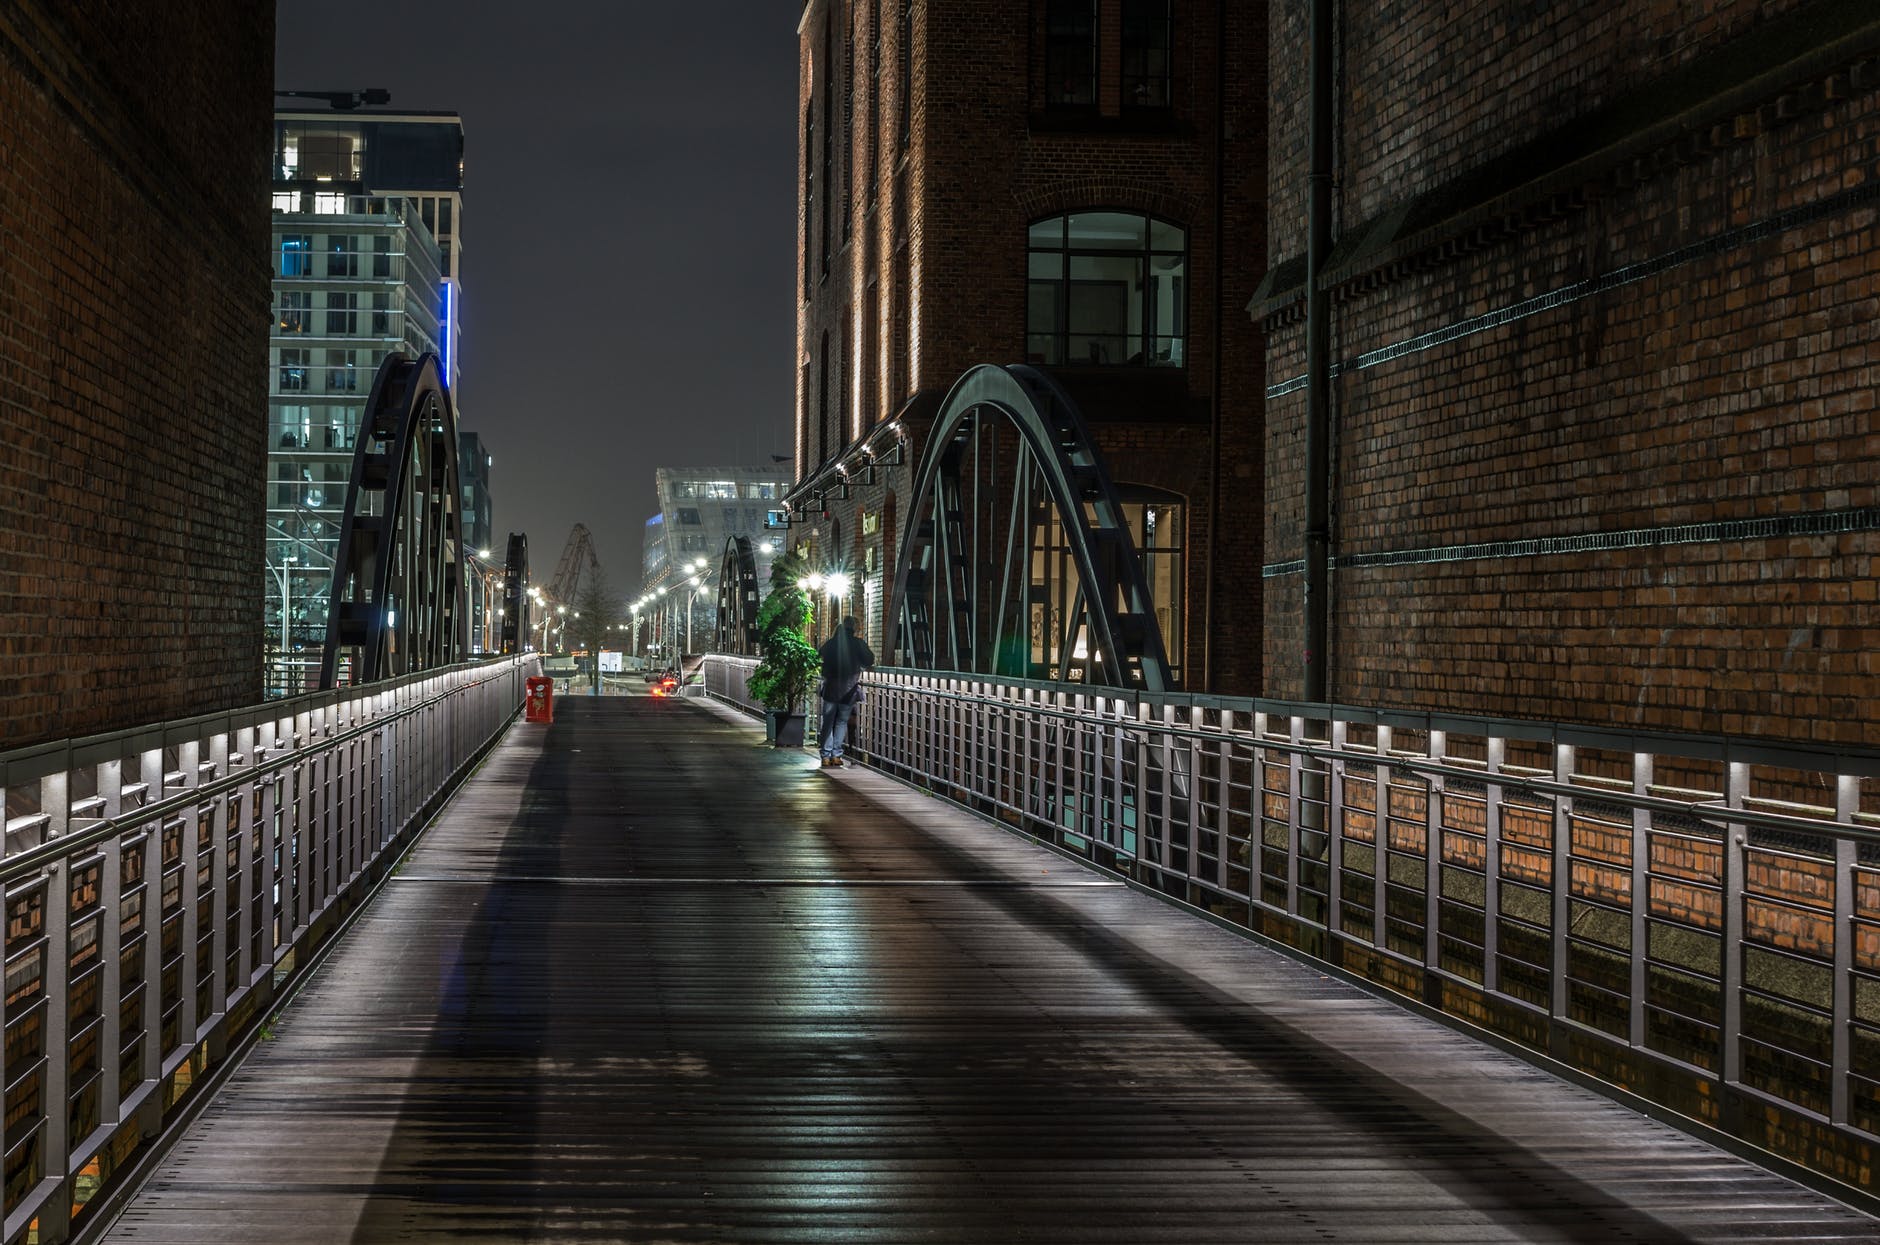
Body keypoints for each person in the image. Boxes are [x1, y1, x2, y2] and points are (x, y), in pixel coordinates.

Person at [816, 615, 875, 768]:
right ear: (854, 628)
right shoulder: (858, 644)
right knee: (842, 721)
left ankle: (825, 756)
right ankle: (836, 755)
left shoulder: (831, 643)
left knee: (827, 722)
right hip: (849, 689)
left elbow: (818, 655)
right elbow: (869, 660)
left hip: (831, 687)